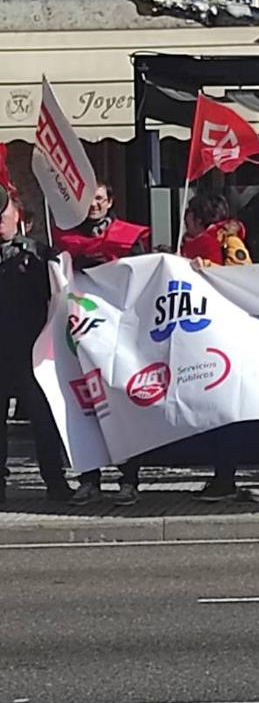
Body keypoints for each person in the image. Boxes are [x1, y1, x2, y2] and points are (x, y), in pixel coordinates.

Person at [57, 183, 150, 507]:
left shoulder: (131, 236)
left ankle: (129, 480)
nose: (94, 205)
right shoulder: (67, 240)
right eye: (90, 200)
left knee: (124, 403)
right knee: (86, 407)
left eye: (100, 199)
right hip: (82, 337)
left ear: (110, 202)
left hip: (121, 335)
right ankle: (89, 480)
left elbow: (143, 277)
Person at [0, 186, 73, 503]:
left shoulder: (39, 255)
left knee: (43, 421)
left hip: (31, 352)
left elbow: (62, 293)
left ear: (18, 216)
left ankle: (55, 481)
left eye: (2, 215)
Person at [180, 191, 249, 500]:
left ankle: (226, 478)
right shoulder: (191, 248)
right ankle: (220, 475)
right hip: (201, 337)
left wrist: (206, 266)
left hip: (226, 338)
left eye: (188, 219)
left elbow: (244, 277)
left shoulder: (228, 243)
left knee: (225, 413)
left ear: (197, 218)